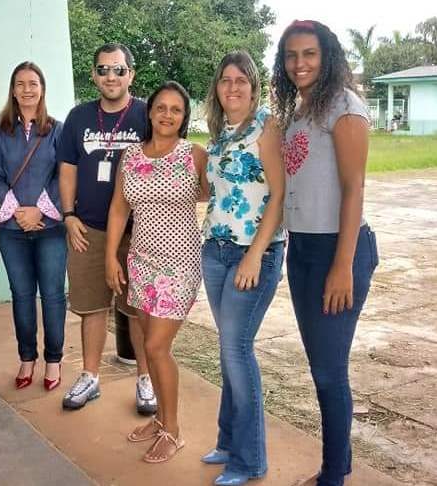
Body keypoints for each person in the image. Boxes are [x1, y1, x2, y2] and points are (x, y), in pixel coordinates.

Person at [271, 20, 378, 486]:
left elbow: (354, 189)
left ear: (327, 56)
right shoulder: (301, 109)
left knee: (330, 372)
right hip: (304, 249)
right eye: (291, 55)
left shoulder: (344, 106)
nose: (300, 63)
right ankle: (341, 463)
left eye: (309, 54)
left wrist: (342, 266)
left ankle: (333, 475)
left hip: (339, 249)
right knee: (321, 367)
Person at [106, 81, 208, 463]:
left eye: (176, 109)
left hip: (179, 265)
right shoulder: (131, 156)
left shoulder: (194, 155)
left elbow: (214, 194)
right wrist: (111, 257)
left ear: (184, 117)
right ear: (149, 112)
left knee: (155, 347)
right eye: (161, 107)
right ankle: (161, 419)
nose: (167, 115)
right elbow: (119, 208)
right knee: (150, 343)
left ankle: (173, 431)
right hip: (141, 262)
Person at [199, 52, 286, 486]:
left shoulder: (267, 127)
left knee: (237, 350)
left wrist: (254, 253)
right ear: (217, 88)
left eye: (241, 80)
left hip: (254, 255)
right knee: (227, 349)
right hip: (214, 250)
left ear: (253, 87)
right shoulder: (220, 134)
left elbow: (279, 194)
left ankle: (250, 460)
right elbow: (213, 190)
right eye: (225, 80)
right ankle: (229, 442)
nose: (232, 87)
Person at [58, 43, 157, 414]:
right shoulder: (79, 117)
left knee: (138, 309)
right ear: (93, 75)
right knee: (92, 306)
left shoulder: (147, 114)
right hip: (89, 230)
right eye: (103, 70)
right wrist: (69, 215)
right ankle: (90, 376)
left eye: (118, 69)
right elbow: (67, 169)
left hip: (138, 231)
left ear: (131, 74)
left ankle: (146, 379)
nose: (111, 76)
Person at [0, 61, 65, 391]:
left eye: (33, 83)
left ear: (42, 88)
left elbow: (65, 174)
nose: (27, 89)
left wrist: (40, 211)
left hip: (50, 228)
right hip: (12, 229)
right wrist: (19, 211)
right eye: (20, 84)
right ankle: (27, 357)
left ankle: (54, 360)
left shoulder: (57, 129)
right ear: (13, 90)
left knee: (53, 295)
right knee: (21, 295)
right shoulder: (1, 130)